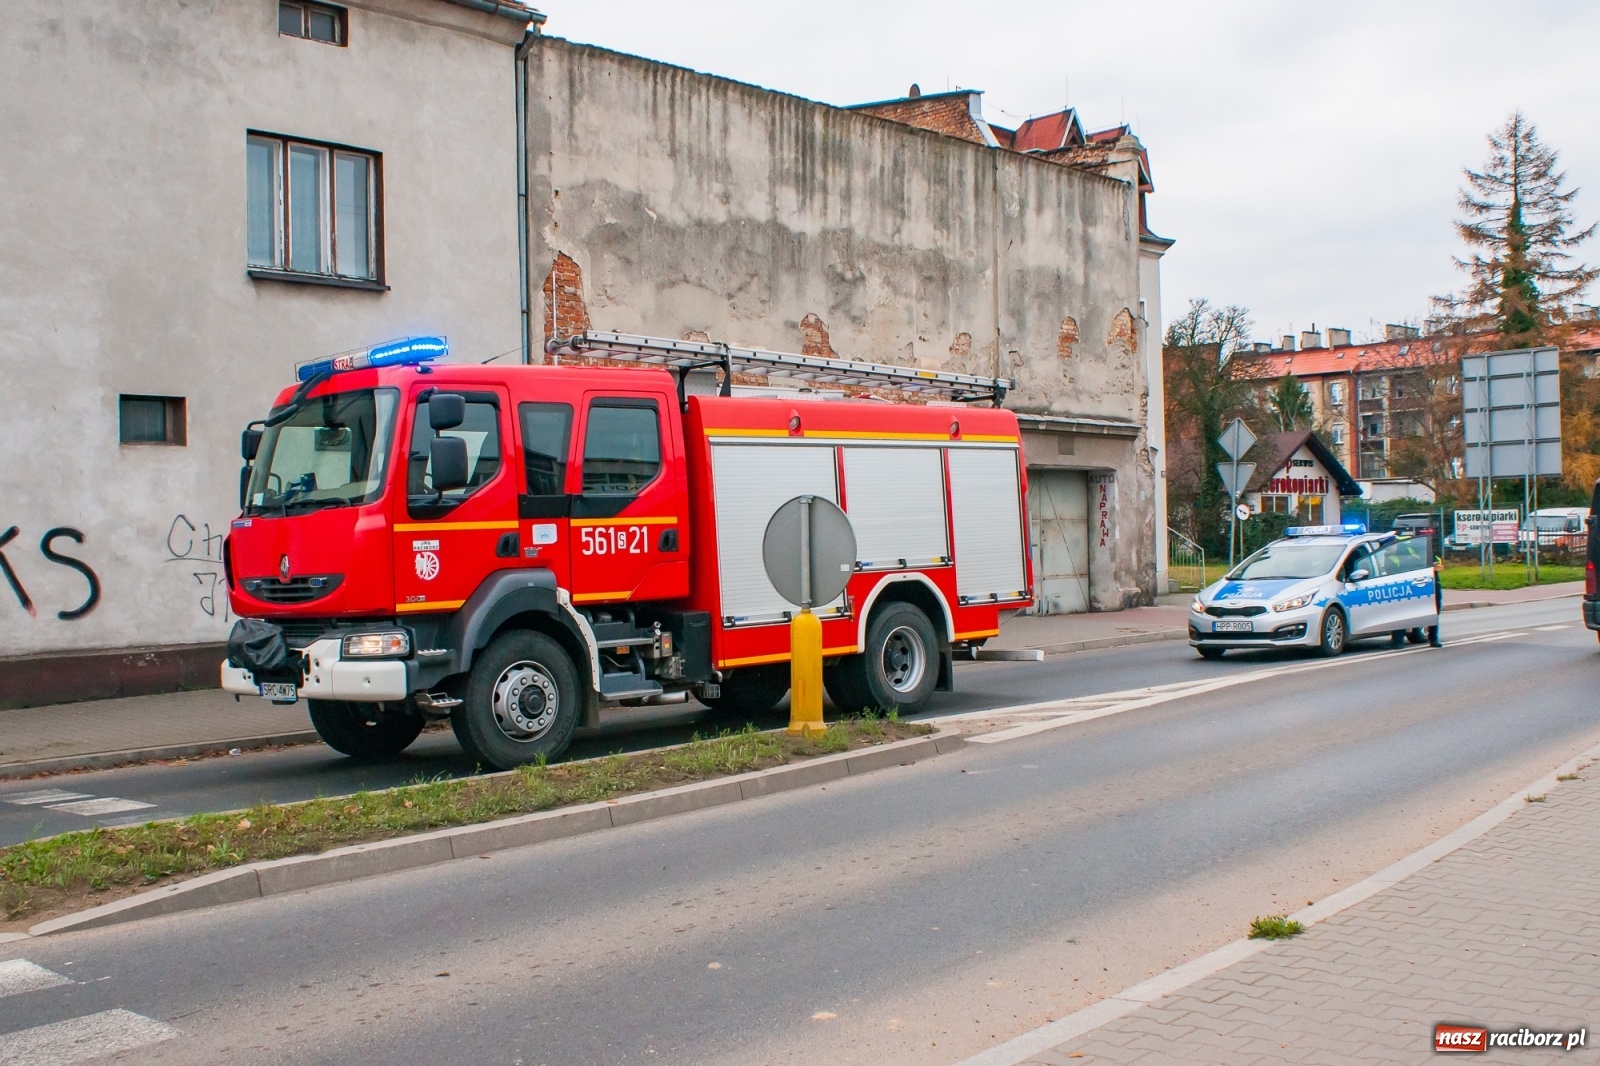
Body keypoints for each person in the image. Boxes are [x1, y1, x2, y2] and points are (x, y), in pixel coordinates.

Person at [1428, 546, 1443, 647]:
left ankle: (1433, 639)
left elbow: (1439, 566)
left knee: (1434, 612)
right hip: (1420, 585)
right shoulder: (1413, 556)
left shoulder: (1435, 558)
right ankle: (1397, 641)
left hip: (1433, 585)